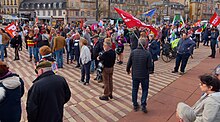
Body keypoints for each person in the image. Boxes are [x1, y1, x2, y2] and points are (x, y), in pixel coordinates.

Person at [126, 39, 153, 113]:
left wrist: (128, 70)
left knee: (134, 89)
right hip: (144, 75)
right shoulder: (147, 53)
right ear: (145, 45)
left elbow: (129, 63)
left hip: (135, 75)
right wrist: (150, 70)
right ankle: (143, 104)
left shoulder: (133, 52)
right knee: (145, 90)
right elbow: (150, 66)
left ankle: (135, 104)